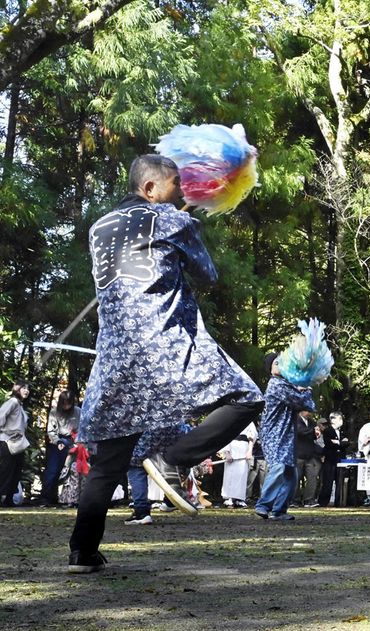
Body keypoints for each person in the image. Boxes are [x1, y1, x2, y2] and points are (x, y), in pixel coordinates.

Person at [67, 155, 265, 574]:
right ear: (151, 188)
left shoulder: (99, 227)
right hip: (166, 347)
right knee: (248, 397)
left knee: (109, 462)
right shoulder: (174, 221)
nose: (182, 191)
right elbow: (208, 274)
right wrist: (186, 226)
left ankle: (82, 551)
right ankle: (176, 456)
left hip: (116, 360)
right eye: (176, 184)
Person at [256, 352, 316, 521]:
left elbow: (305, 403)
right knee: (279, 467)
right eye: (276, 363)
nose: (280, 365)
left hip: (286, 435)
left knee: (291, 473)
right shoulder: (276, 385)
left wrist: (303, 389)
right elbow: (304, 403)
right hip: (273, 433)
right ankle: (263, 505)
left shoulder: (285, 384)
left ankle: (279, 511)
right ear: (270, 368)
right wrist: (307, 388)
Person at [37, 390, 80, 506]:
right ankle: (46, 499)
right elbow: (51, 431)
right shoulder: (54, 412)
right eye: (64, 403)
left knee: (72, 472)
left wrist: (76, 443)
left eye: (68, 404)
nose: (66, 406)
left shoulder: (78, 412)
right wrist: (58, 441)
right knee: (52, 470)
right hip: (57, 442)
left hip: (72, 441)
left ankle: (71, 499)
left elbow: (81, 429)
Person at [0, 380, 30, 507]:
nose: (26, 391)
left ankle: (9, 499)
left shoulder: (20, 405)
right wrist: (6, 430)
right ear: (17, 389)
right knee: (6, 471)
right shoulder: (12, 402)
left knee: (16, 471)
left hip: (18, 443)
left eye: (28, 388)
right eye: (24, 388)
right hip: (7, 441)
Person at [221, 421, 257, 509]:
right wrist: (227, 452)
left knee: (242, 473)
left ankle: (239, 498)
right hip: (232, 447)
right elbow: (225, 436)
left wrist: (249, 451)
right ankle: (229, 498)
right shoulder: (230, 419)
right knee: (230, 474)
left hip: (243, 448)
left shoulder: (249, 421)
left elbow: (252, 437)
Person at [318, 412, 348, 506]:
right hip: (330, 459)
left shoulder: (342, 431)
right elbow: (329, 444)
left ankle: (338, 502)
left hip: (340, 459)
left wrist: (338, 443)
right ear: (333, 420)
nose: (341, 421)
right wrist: (340, 443)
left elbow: (347, 442)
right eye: (339, 419)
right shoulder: (328, 431)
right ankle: (323, 502)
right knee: (328, 481)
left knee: (340, 481)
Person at [294, 411, 322, 508]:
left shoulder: (311, 422)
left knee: (312, 477)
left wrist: (316, 433)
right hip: (298, 453)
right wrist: (312, 430)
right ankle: (295, 500)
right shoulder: (295, 419)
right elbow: (300, 432)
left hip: (310, 454)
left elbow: (313, 435)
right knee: (296, 478)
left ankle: (309, 499)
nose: (309, 413)